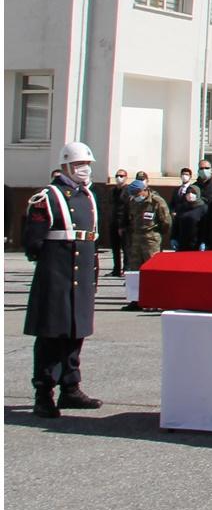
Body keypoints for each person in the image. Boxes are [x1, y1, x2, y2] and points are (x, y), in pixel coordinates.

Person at [23, 142, 103, 417]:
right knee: (51, 335)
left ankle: (70, 388)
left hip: (81, 273)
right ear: (65, 166)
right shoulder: (48, 196)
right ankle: (43, 392)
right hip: (56, 274)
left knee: (76, 332)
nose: (84, 170)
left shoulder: (88, 197)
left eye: (88, 165)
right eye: (79, 165)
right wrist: (51, 269)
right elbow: (33, 242)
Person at [108, 167, 130, 278]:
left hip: (123, 223)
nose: (119, 178)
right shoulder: (113, 191)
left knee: (125, 248)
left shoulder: (128, 190)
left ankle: (126, 268)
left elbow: (127, 208)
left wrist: (124, 225)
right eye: (117, 176)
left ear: (126, 178)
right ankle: (116, 269)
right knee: (114, 247)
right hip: (113, 222)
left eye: (121, 176)